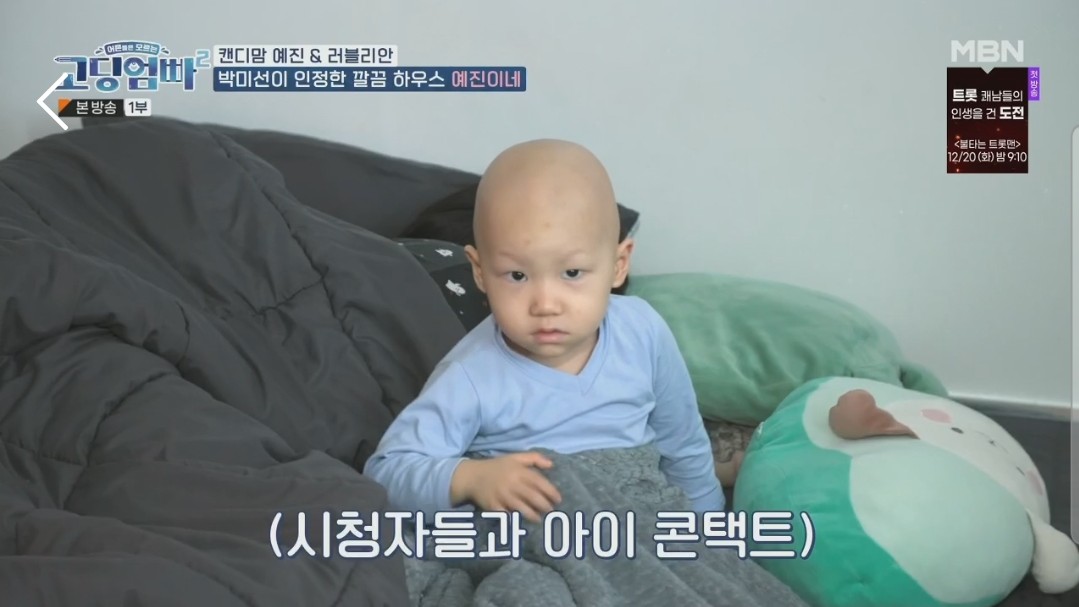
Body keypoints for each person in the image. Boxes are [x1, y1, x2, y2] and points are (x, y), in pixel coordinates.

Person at [363, 139, 723, 522]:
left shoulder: (642, 330)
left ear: (618, 264)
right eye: (517, 276)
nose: (545, 304)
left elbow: (684, 445)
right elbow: (388, 472)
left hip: (640, 515)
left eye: (572, 273)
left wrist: (710, 531)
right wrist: (470, 478)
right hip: (541, 529)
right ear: (480, 272)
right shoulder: (471, 374)